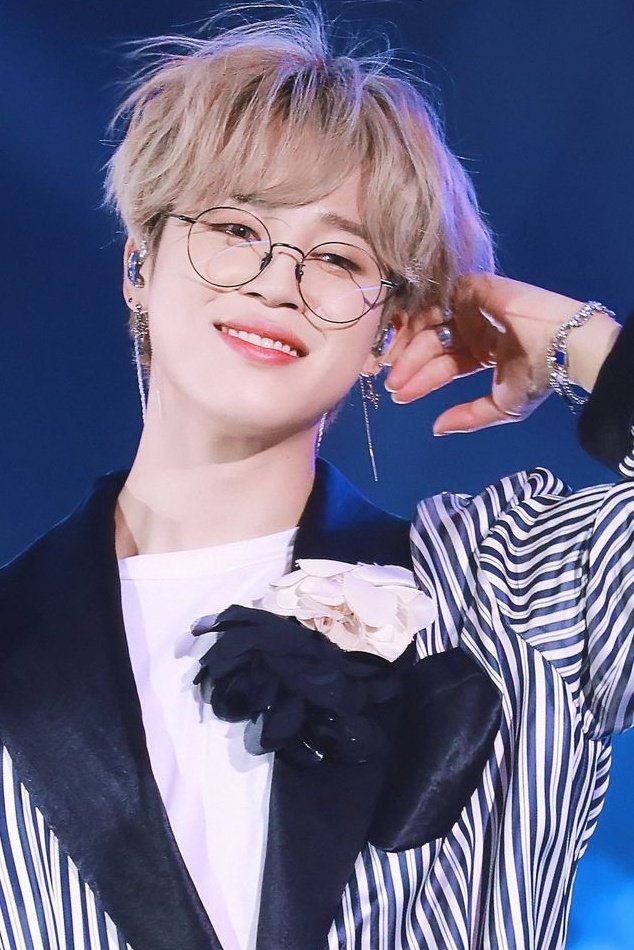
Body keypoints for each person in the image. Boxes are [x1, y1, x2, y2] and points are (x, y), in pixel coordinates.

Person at [0, 5, 632, 950]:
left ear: (388, 327)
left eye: (338, 256)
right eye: (235, 226)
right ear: (141, 263)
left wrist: (580, 342)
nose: (276, 280)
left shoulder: (509, 587)